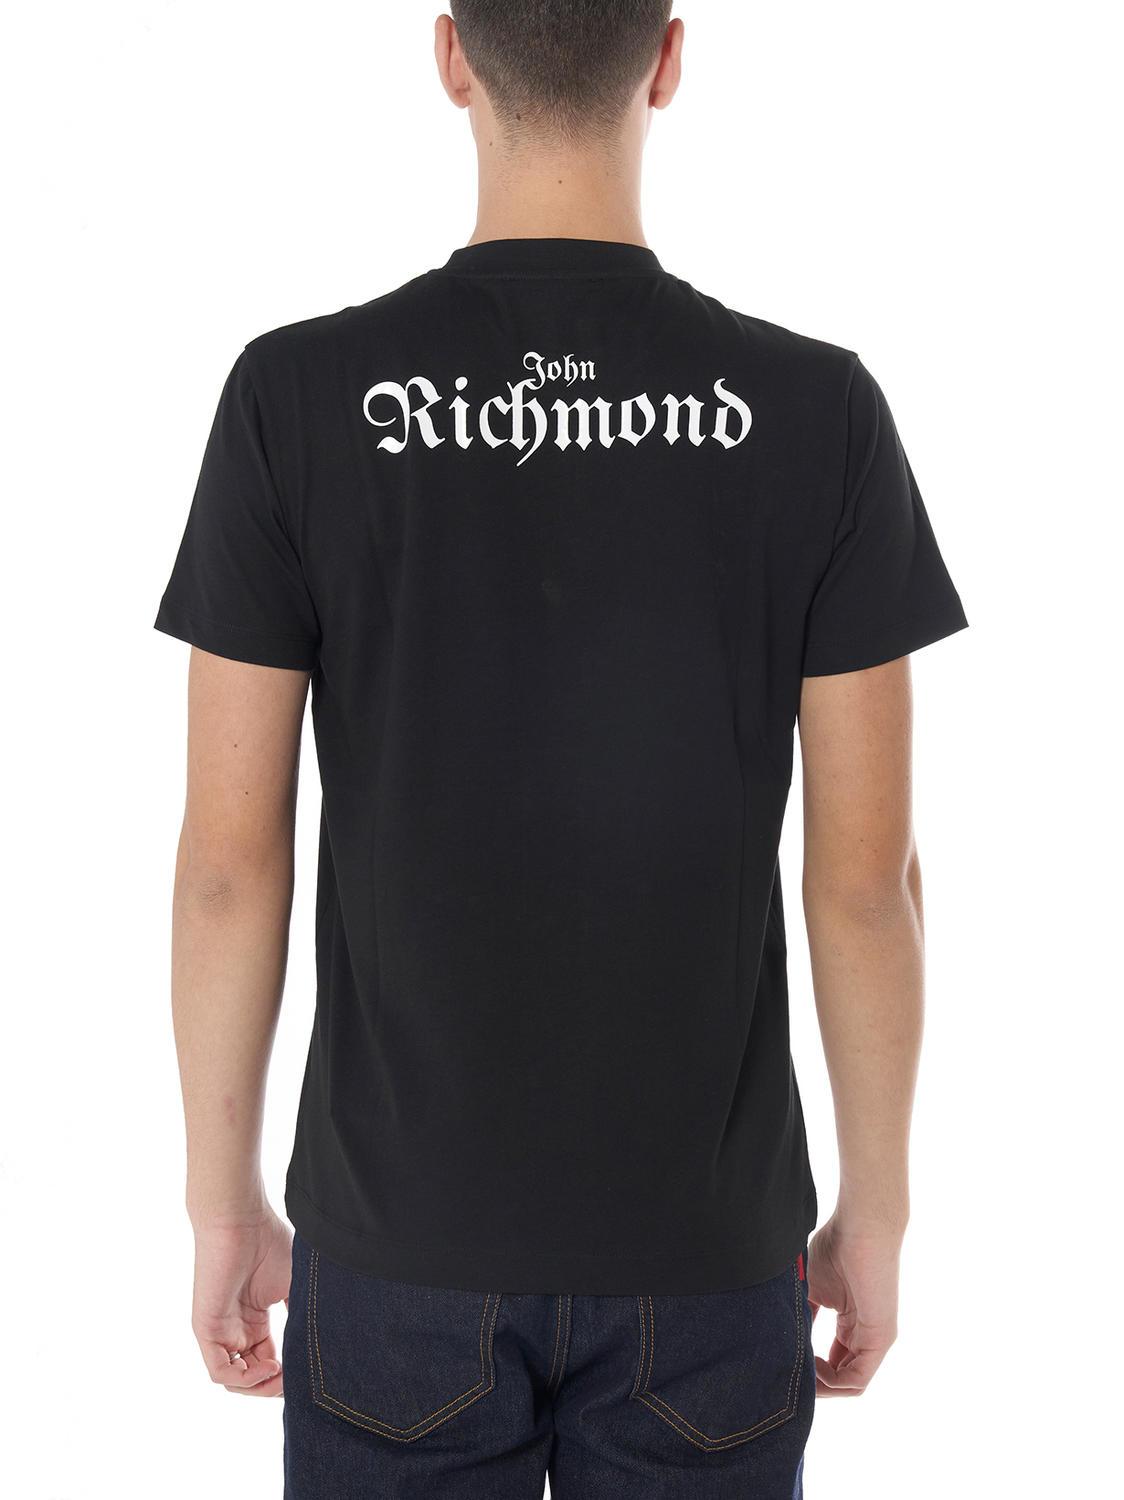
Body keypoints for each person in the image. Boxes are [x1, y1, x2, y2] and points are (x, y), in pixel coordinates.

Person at [155, 3, 966, 1495]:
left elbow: (227, 863)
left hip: (396, 1251)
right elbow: (866, 885)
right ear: (668, 59)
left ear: (451, 55)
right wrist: (878, 1211)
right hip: (708, 1255)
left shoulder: (295, 397)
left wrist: (223, 1205)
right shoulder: (818, 411)